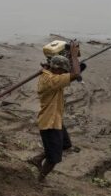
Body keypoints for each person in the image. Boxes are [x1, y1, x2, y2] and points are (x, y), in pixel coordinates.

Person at [28, 55, 84, 183]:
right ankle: (40, 180)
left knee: (65, 144)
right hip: (49, 123)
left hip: (55, 120)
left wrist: (72, 56)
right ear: (57, 70)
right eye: (63, 71)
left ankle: (38, 159)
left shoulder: (50, 75)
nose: (64, 73)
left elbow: (79, 69)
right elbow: (75, 73)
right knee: (54, 158)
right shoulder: (51, 80)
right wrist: (74, 53)